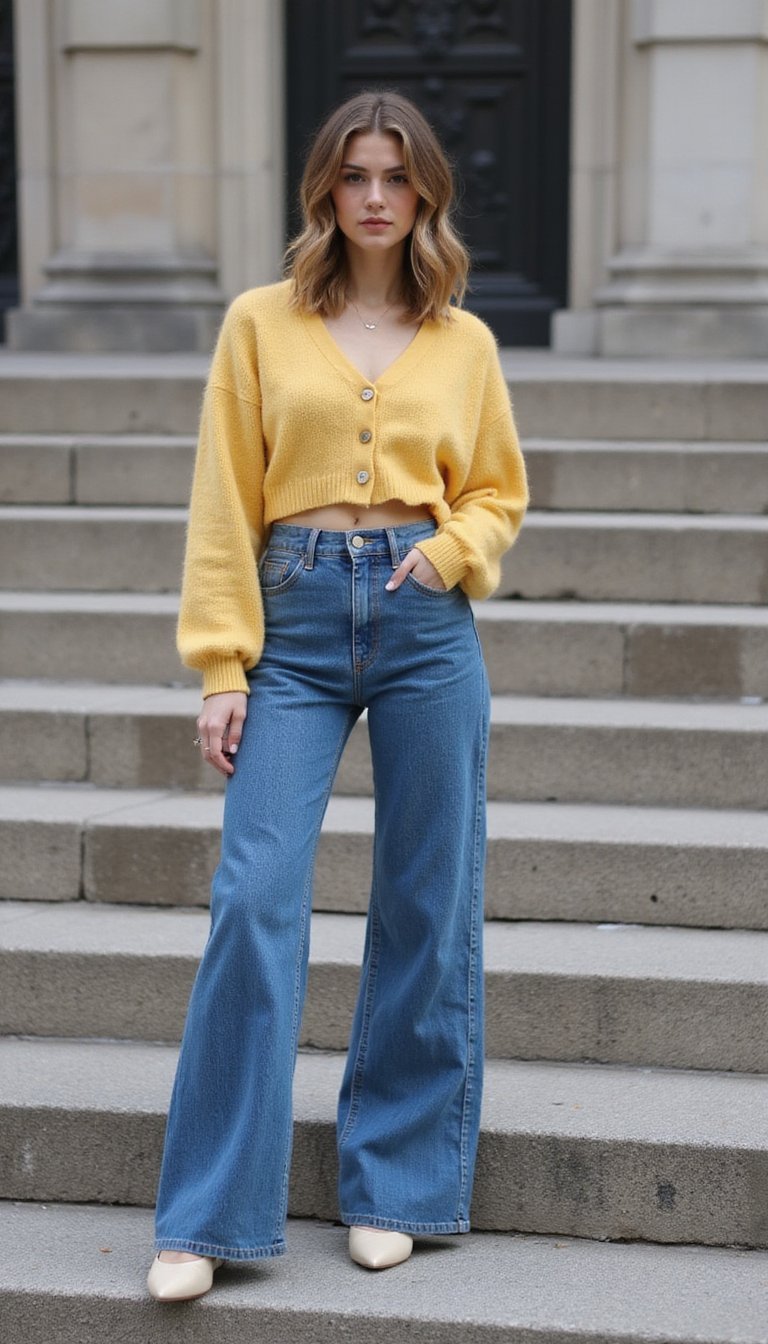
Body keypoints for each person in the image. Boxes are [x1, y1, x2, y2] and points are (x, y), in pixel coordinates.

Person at [146, 88, 528, 1303]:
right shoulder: (260, 323)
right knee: (254, 898)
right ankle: (207, 1218)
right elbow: (223, 500)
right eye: (355, 175)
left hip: (424, 623)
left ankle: (399, 1188)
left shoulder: (464, 341)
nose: (375, 196)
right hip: (295, 622)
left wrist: (448, 555)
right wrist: (221, 664)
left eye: (396, 178)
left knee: (428, 898)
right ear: (325, 189)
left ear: (424, 195)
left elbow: (498, 492)